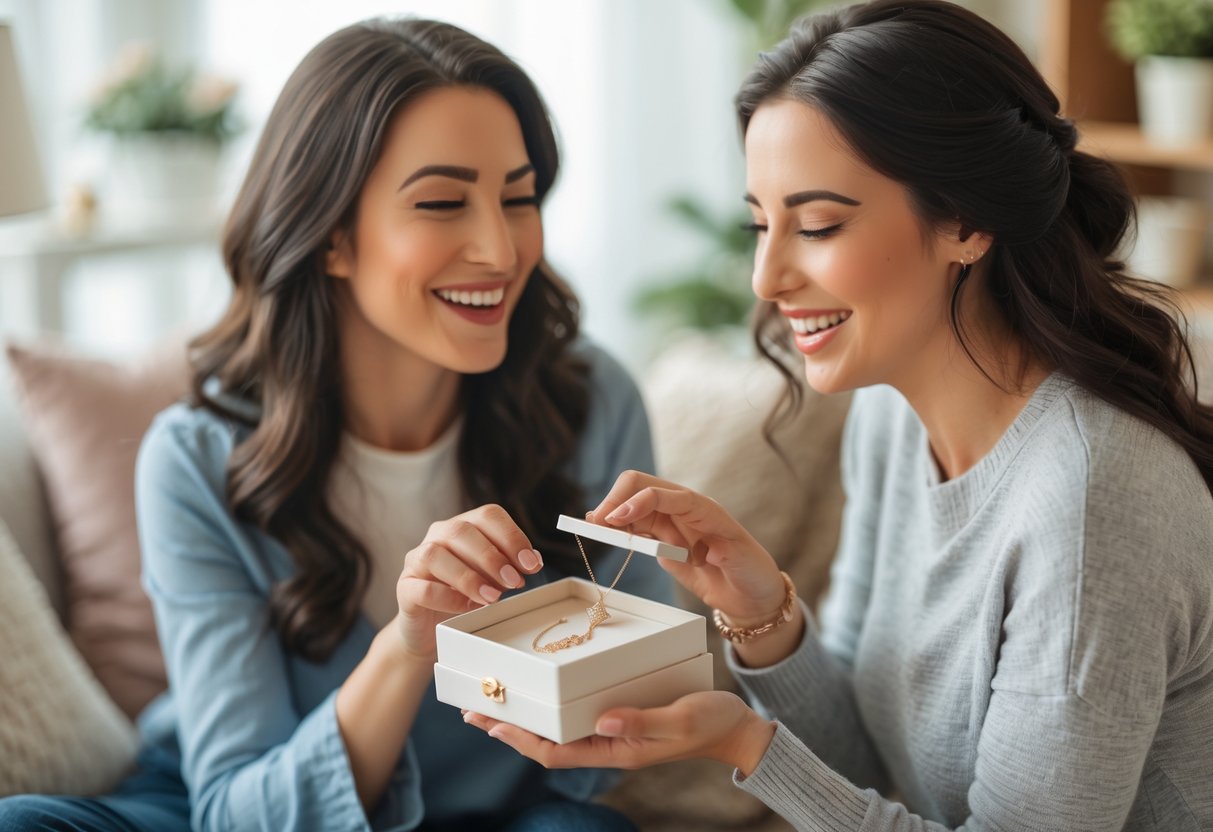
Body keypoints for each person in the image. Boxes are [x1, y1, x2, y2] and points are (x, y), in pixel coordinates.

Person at [464, 1, 1213, 829]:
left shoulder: (1090, 501)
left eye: (817, 224)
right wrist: (759, 611)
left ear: (966, 220)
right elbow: (865, 761)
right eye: (760, 223)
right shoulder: (892, 422)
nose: (765, 276)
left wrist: (747, 745)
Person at [0, 17, 667, 832]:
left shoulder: (591, 401)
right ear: (330, 237)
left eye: (518, 198)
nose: (499, 247)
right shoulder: (197, 458)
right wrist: (409, 641)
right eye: (442, 202)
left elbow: (631, 727)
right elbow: (235, 809)